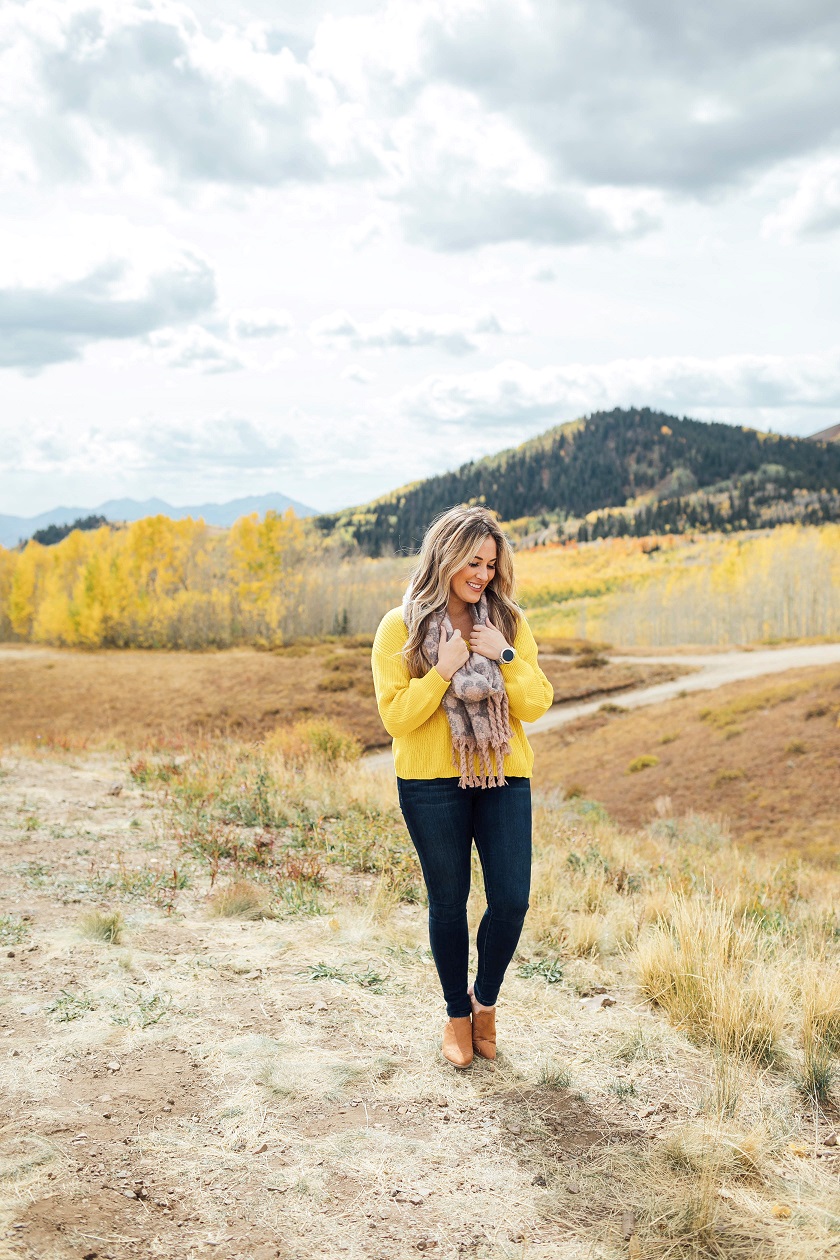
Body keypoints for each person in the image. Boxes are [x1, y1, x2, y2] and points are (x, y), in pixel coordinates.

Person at [371, 505, 554, 1068]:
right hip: (430, 783)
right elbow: (396, 718)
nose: (482, 574)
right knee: (448, 904)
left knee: (512, 900)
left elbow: (536, 702)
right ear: (445, 555)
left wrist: (499, 651)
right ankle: (455, 1015)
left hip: (502, 773)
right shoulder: (398, 626)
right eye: (473, 561)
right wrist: (444, 669)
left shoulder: (510, 624)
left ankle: (485, 1002)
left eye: (491, 565)